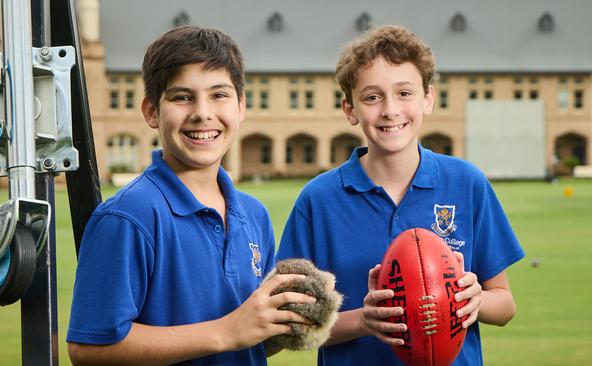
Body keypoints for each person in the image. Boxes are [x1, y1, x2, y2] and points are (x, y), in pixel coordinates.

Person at [66, 26, 315, 365]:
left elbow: (246, 341)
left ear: (241, 106)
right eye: (182, 97)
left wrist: (285, 322)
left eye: (219, 95)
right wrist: (227, 331)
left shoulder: (253, 214)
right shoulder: (129, 217)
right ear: (152, 111)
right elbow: (90, 349)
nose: (202, 113)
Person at [277, 25, 525, 365]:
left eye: (404, 93)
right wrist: (362, 321)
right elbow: (290, 325)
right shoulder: (318, 199)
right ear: (350, 109)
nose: (390, 110)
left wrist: (474, 301)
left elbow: (505, 306)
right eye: (372, 97)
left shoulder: (467, 183)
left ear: (428, 98)